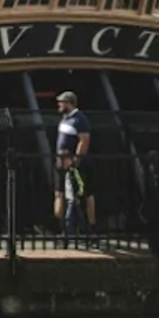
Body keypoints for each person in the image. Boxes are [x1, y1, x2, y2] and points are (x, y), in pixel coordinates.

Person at [53, 91, 96, 235]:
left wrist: (76, 160)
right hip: (61, 162)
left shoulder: (79, 119)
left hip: (74, 165)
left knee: (78, 196)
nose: (59, 104)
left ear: (69, 103)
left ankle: (86, 228)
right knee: (60, 193)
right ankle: (60, 226)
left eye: (61, 102)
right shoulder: (65, 119)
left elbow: (84, 140)